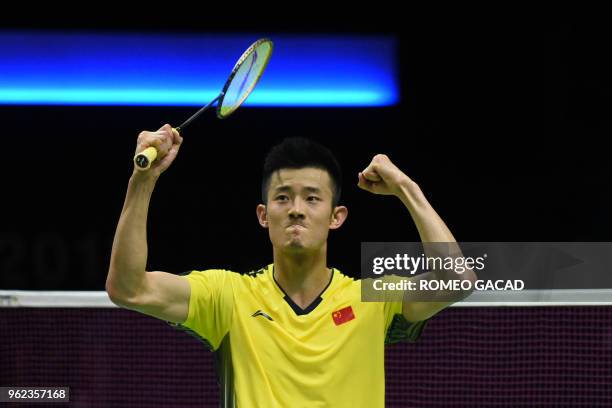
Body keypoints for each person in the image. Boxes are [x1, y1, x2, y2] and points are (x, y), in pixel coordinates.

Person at [106, 124, 476, 407]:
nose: (297, 208)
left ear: (337, 217)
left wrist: (405, 188)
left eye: (312, 198)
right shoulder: (229, 297)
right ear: (263, 215)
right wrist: (143, 180)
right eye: (283, 197)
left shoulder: (372, 299)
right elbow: (128, 288)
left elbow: (458, 279)